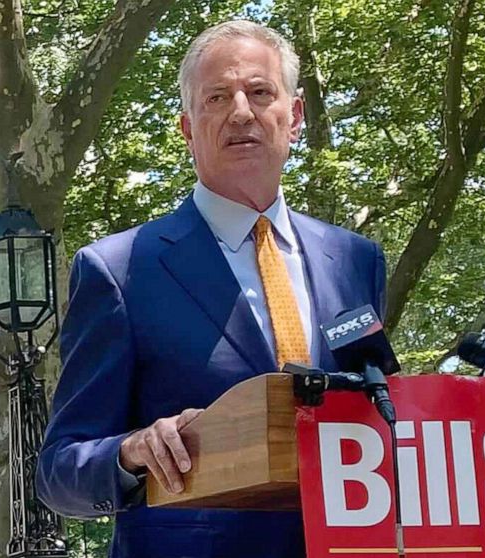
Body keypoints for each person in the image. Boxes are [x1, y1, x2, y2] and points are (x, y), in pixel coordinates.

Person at [36, 20, 386, 558]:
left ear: (294, 117)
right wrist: (132, 451)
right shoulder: (120, 270)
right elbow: (60, 470)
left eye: (259, 92)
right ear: (187, 127)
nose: (240, 112)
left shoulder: (356, 260)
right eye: (217, 97)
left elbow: (381, 406)